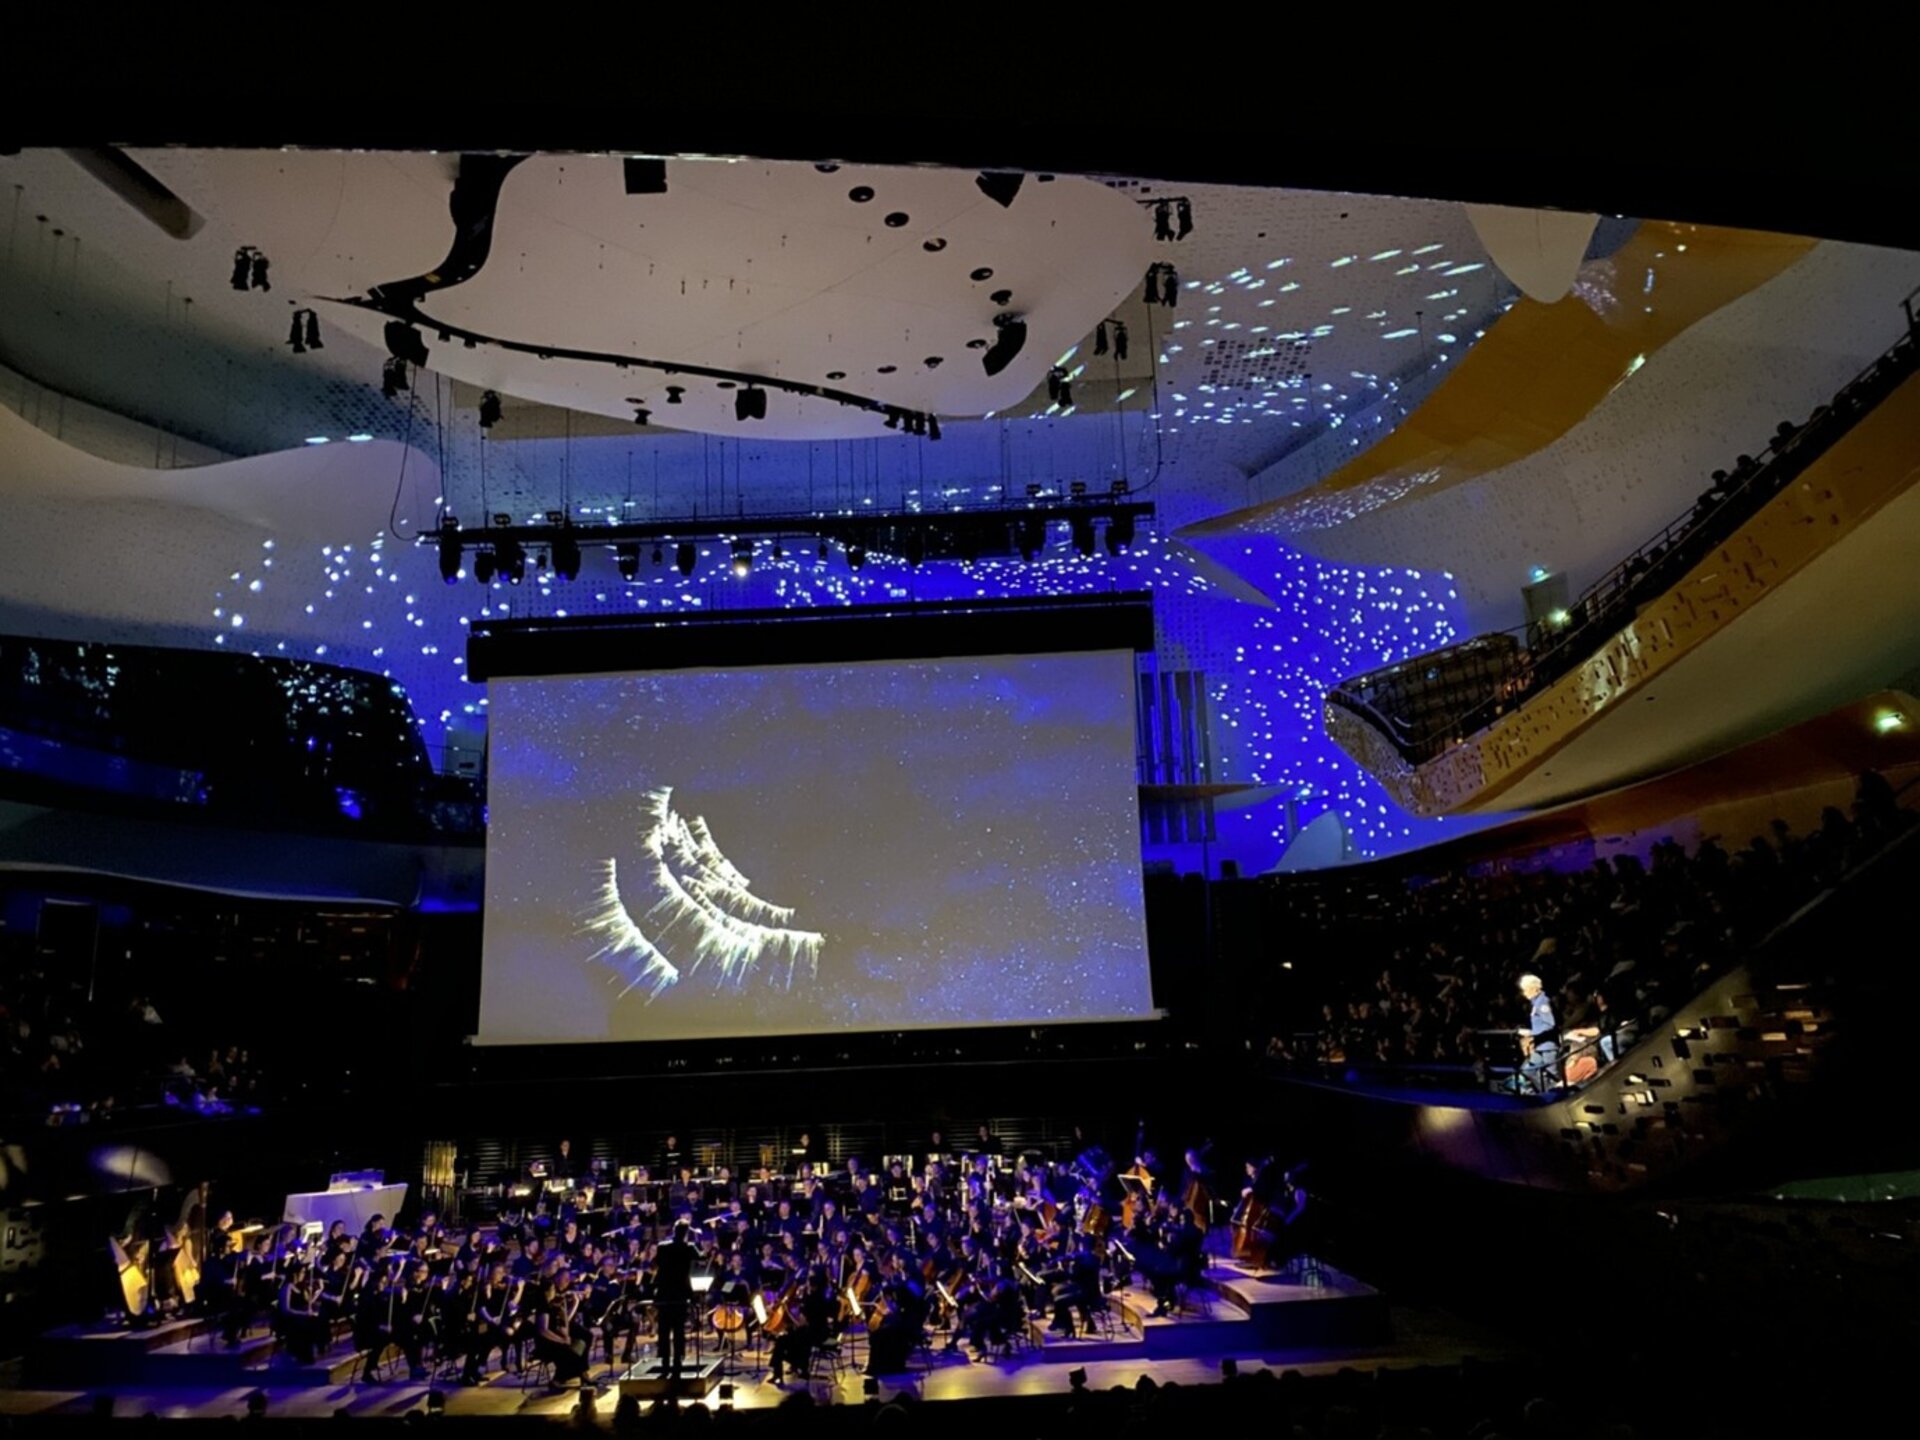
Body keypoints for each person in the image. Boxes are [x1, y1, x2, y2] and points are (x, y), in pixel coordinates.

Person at [767, 1268, 830, 1384]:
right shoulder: (815, 1296)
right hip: (811, 1330)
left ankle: (782, 1371)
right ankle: (796, 1367)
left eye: (807, 1283)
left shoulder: (814, 1300)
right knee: (783, 1339)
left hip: (814, 1332)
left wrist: (787, 1311)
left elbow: (802, 1322)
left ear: (812, 1285)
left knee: (782, 1341)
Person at [652, 1217, 696, 1373]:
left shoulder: (662, 1247)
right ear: (686, 1233)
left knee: (663, 1329)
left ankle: (664, 1361)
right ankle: (678, 1360)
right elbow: (701, 1258)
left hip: (664, 1293)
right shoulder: (689, 1248)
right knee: (678, 1329)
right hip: (680, 1293)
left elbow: (656, 1263)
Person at [1517, 973, 1558, 1093]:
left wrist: (1531, 1032)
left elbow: (1550, 1024)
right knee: (1527, 1071)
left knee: (1551, 1075)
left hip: (1548, 1046)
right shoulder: (1535, 1003)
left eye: (1526, 990)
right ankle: (1544, 1093)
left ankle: (1553, 1095)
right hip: (1540, 1046)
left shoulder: (1542, 1003)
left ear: (1534, 988)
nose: (1524, 993)